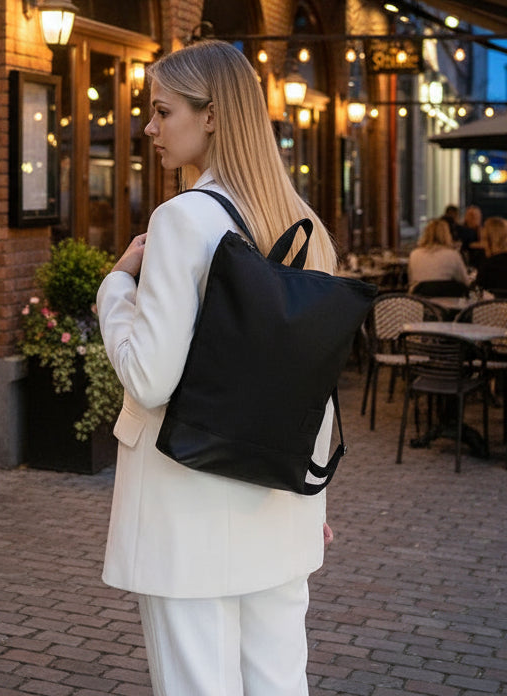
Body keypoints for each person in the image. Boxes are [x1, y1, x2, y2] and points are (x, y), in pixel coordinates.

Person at [96, 40, 337, 696]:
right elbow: (311, 382)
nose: (148, 127)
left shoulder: (182, 221)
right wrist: (314, 493)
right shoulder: (305, 225)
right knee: (280, 682)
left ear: (210, 117)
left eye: (161, 110)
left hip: (188, 504)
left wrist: (115, 289)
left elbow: (149, 378)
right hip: (281, 499)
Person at [406, 218, 470, 294]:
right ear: (447, 235)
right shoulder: (453, 255)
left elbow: (411, 281)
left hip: (420, 301)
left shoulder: (414, 254)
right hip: (449, 302)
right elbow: (465, 282)